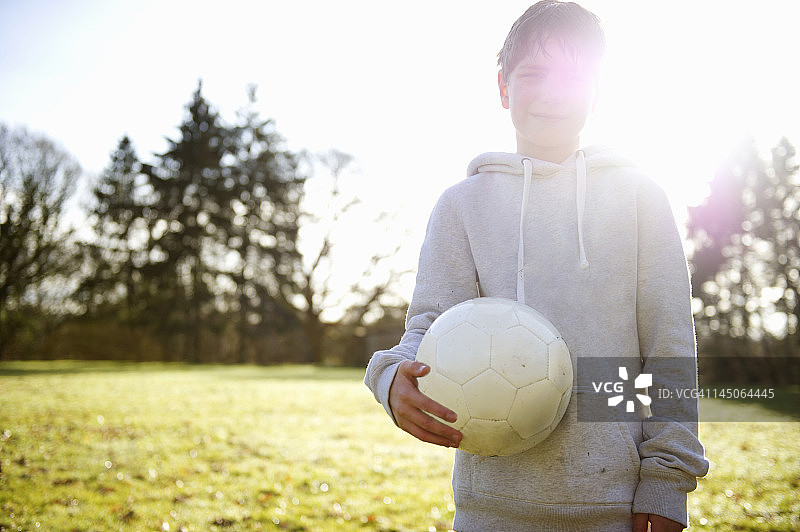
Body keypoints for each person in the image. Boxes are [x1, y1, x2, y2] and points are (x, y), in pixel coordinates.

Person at [364, 1, 709, 530]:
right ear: (502, 88)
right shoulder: (462, 206)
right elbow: (430, 331)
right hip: (490, 508)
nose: (551, 93)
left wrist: (666, 482)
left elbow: (668, 350)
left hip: (617, 505)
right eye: (533, 74)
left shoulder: (639, 199)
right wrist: (389, 377)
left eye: (572, 78)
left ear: (598, 92)